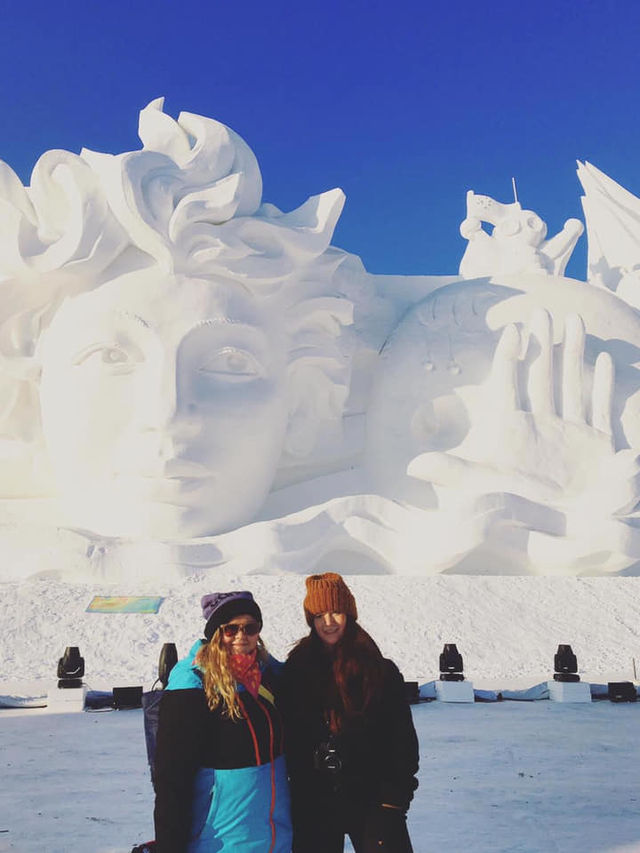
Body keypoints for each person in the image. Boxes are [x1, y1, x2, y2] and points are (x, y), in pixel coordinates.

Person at [282, 572, 419, 852]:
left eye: (335, 612)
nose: (328, 623)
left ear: (349, 614)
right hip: (314, 800)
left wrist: (393, 801)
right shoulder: (296, 668)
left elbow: (402, 740)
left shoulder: (379, 670)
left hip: (374, 798)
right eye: (319, 615)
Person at [153, 591, 292, 852]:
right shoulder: (192, 685)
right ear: (217, 633)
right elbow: (171, 778)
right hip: (221, 841)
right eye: (231, 629)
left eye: (250, 628)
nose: (242, 636)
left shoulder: (268, 676)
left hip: (275, 838)